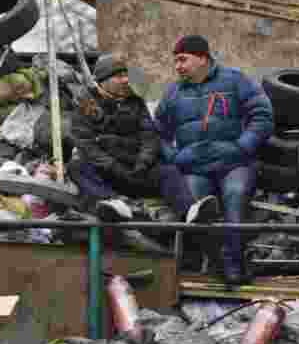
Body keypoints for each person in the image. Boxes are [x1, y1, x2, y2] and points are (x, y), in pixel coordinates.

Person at [151, 35, 274, 284]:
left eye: (183, 59)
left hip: (234, 163)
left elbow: (262, 115)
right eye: (176, 61)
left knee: (235, 196)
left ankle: (234, 264)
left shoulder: (235, 80)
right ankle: (215, 263)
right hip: (194, 167)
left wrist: (242, 147)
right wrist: (174, 157)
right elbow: (156, 133)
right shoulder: (173, 93)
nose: (177, 66)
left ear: (202, 58)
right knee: (194, 209)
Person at [67, 53, 219, 226]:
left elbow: (150, 135)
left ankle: (190, 212)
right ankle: (112, 204)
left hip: (137, 170)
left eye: (126, 75)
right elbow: (86, 144)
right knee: (77, 166)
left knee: (168, 172)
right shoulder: (85, 104)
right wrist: (113, 166)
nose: (125, 80)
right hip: (108, 174)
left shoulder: (135, 102)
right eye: (119, 76)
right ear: (103, 80)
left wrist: (143, 162)